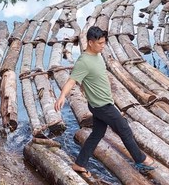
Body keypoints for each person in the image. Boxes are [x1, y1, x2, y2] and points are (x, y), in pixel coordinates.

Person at [54, 26, 155, 177]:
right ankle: (141, 160)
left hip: (101, 104)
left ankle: (79, 164)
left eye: (104, 42)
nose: (103, 46)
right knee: (124, 129)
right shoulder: (84, 61)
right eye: (100, 43)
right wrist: (62, 96)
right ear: (90, 42)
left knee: (97, 134)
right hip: (102, 106)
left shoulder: (97, 55)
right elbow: (71, 81)